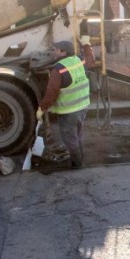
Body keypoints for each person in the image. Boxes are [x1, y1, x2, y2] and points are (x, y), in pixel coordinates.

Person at [36, 38, 94, 168]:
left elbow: (51, 93)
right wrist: (87, 45)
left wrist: (41, 108)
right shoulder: (78, 60)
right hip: (83, 107)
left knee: (70, 139)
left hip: (69, 111)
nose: (54, 52)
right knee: (77, 136)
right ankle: (80, 159)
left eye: (57, 50)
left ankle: (77, 164)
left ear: (63, 52)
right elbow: (90, 60)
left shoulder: (59, 69)